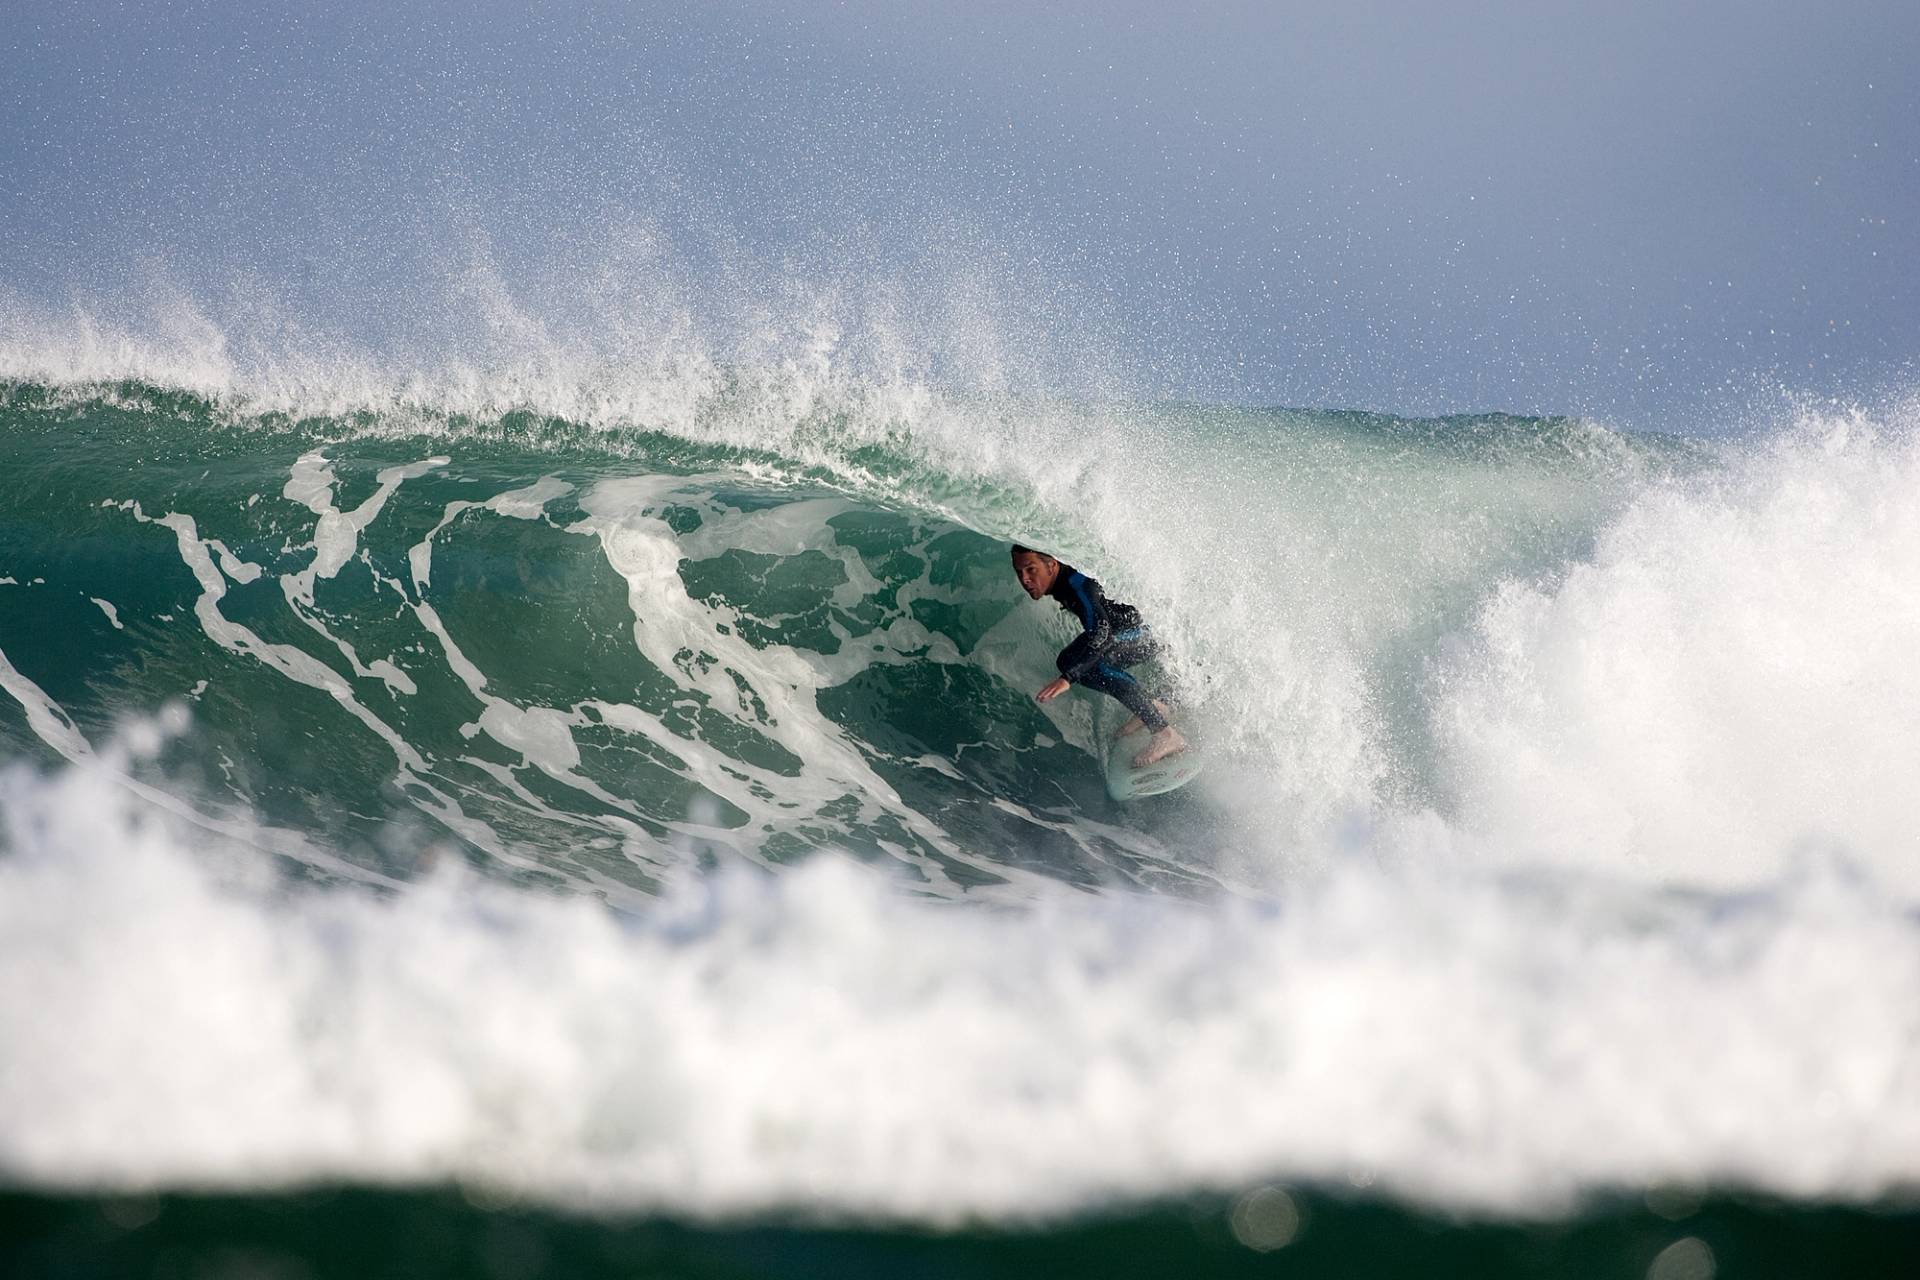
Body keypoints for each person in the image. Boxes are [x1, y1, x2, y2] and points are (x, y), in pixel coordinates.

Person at [1011, 543, 1187, 768]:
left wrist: (1069, 678)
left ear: (1052, 565)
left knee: (1091, 665)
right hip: (1133, 631)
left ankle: (1165, 734)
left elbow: (1102, 634)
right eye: (1019, 572)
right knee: (1068, 660)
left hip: (1147, 633)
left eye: (1031, 570)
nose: (1024, 579)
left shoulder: (1079, 584)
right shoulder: (1064, 581)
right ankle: (1153, 707)